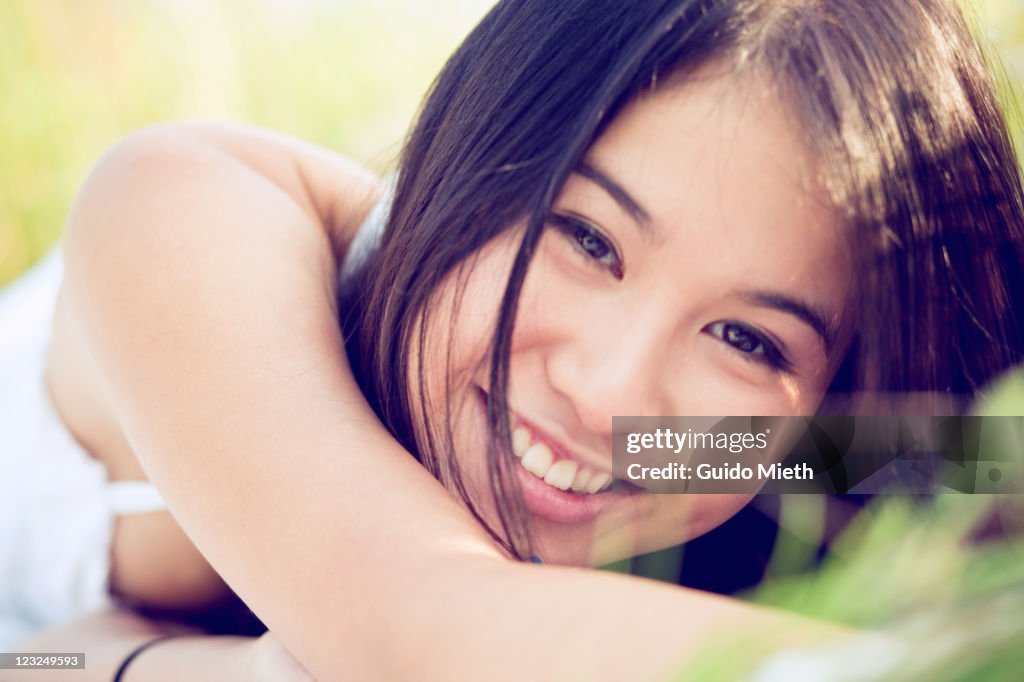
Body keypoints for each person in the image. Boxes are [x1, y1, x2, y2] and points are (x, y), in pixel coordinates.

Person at [5, 0, 1024, 679]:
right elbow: (414, 612)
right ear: (478, 151)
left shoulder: (706, 448)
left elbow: (969, 450)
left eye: (745, 339)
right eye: (584, 237)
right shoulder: (187, 210)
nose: (607, 390)